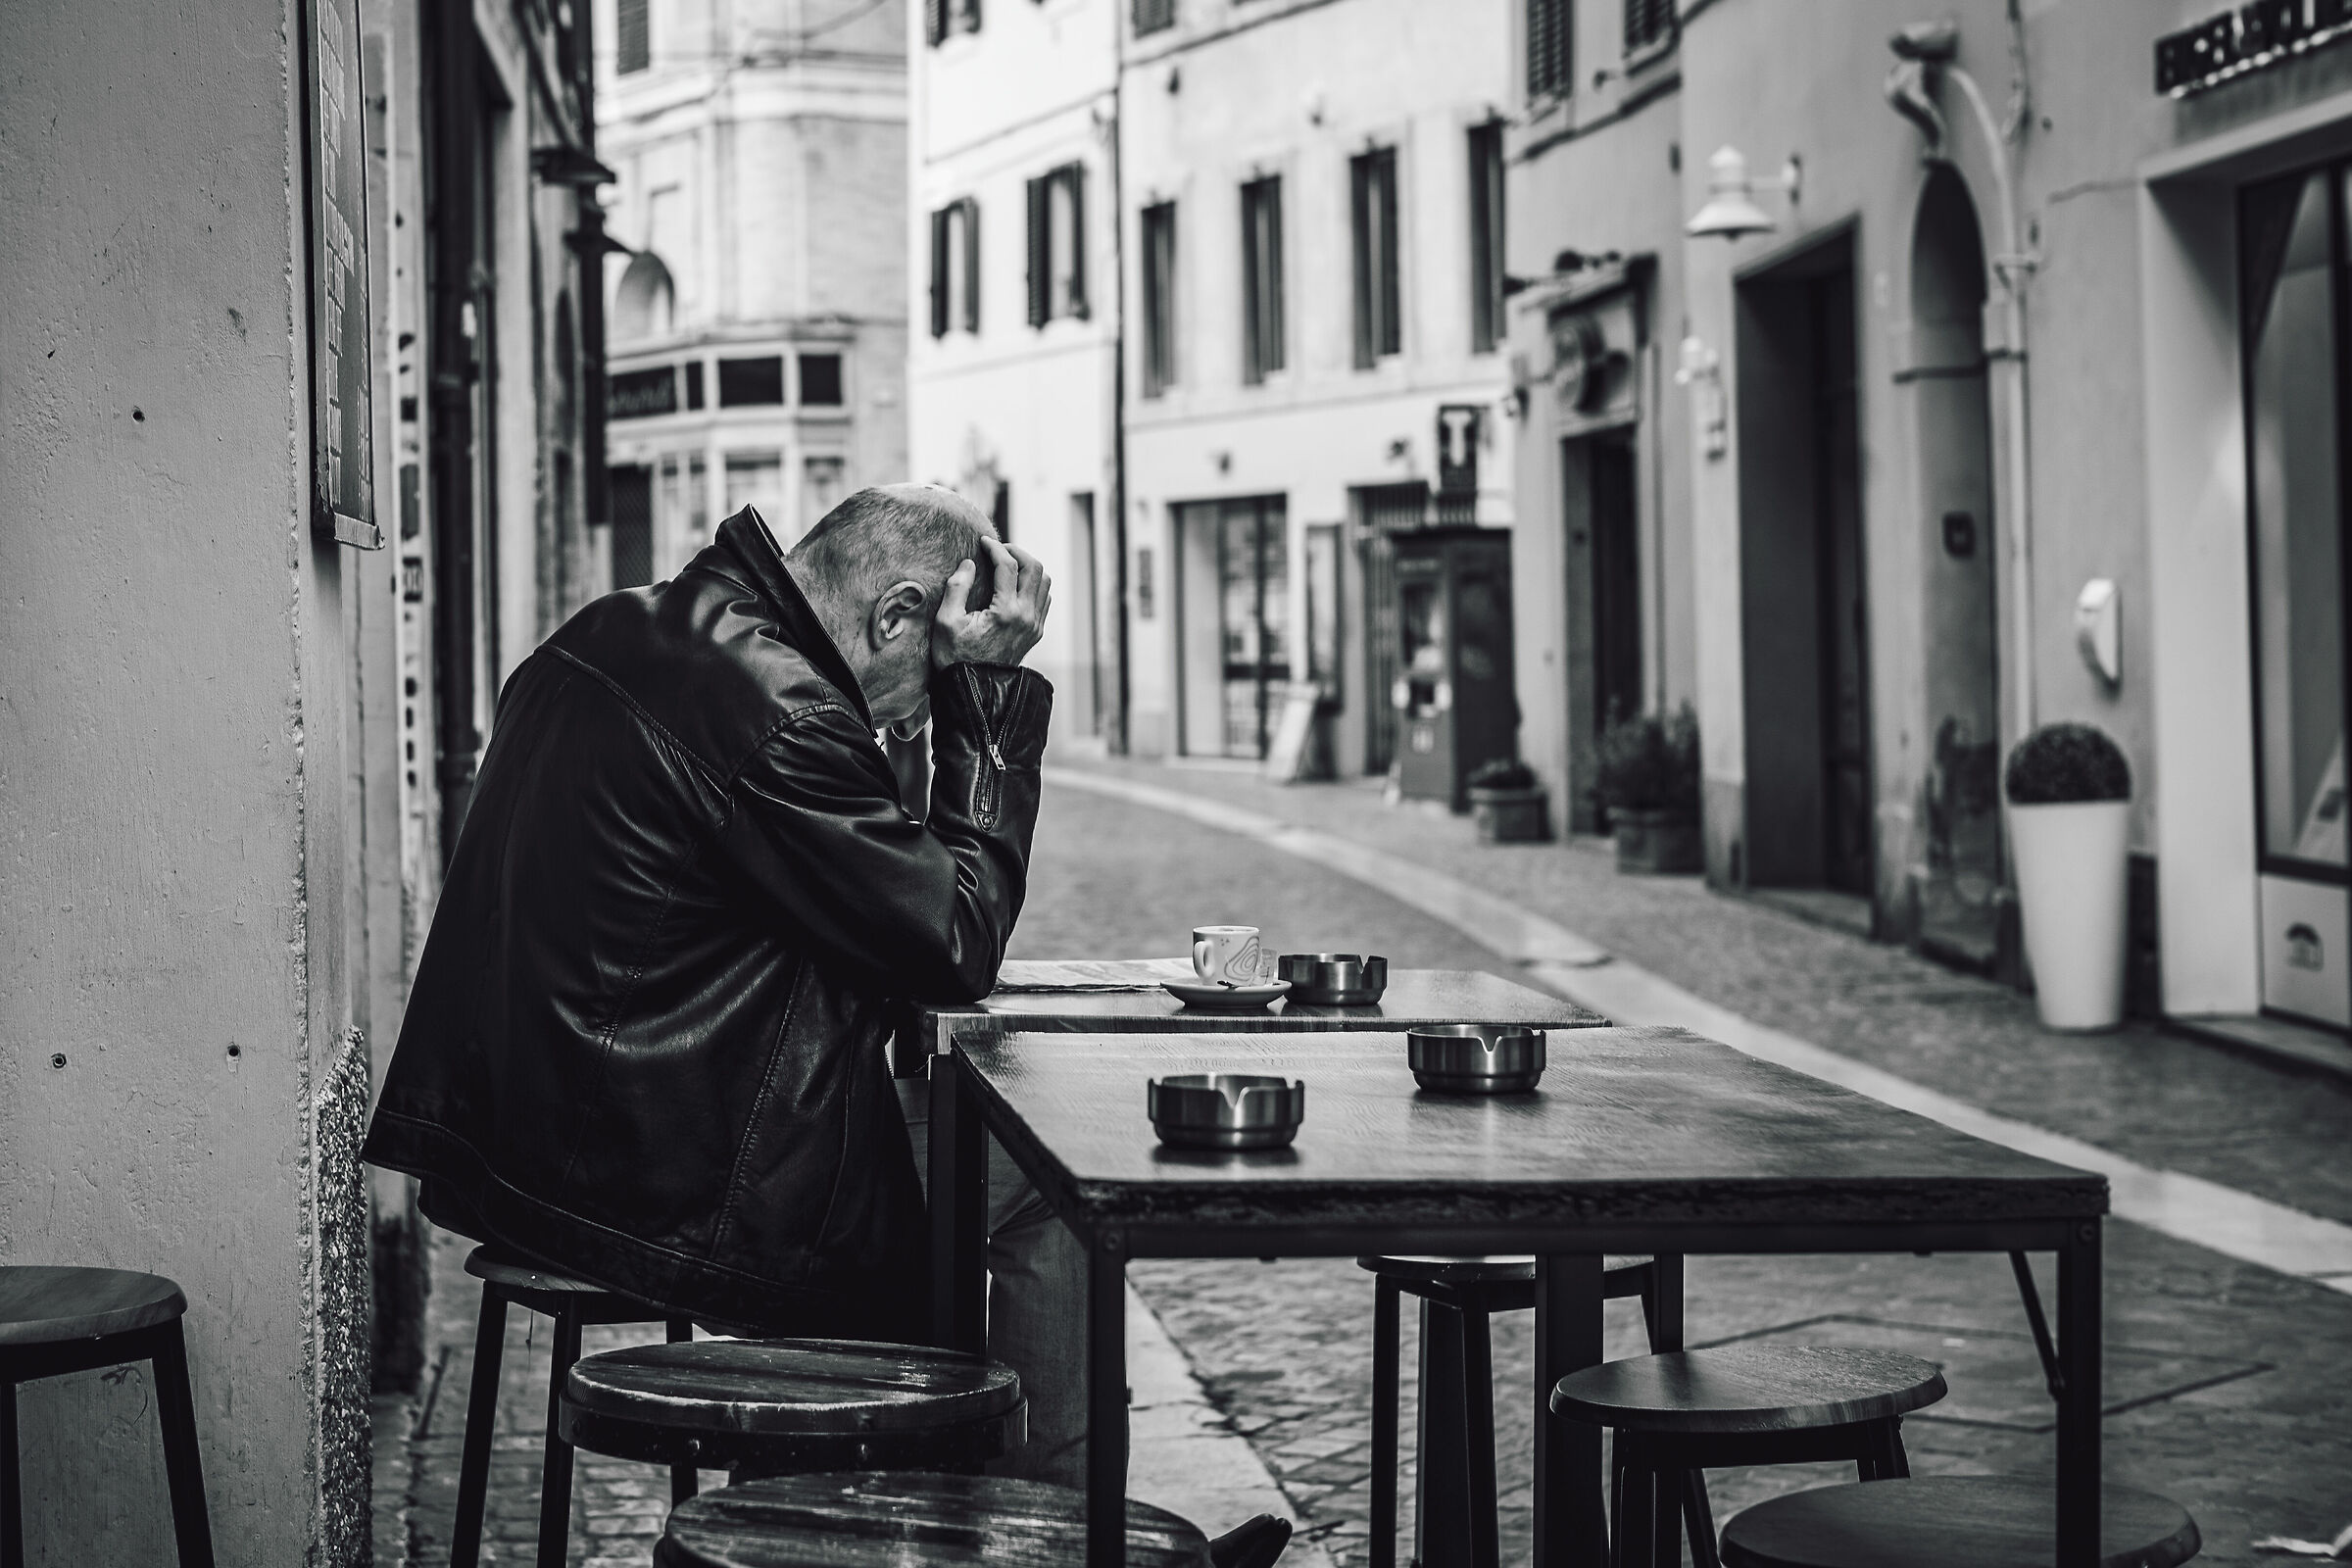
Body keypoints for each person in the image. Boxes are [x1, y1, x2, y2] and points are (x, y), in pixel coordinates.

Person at [362, 487, 1289, 1567]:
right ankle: (1057, 1547)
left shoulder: (623, 626)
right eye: (927, 679)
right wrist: (986, 701)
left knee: (953, 1159)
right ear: (897, 614)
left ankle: (979, 1523)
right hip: (632, 1160)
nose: (908, 721)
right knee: (1047, 1180)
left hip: (535, 1119)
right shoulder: (782, 709)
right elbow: (950, 936)